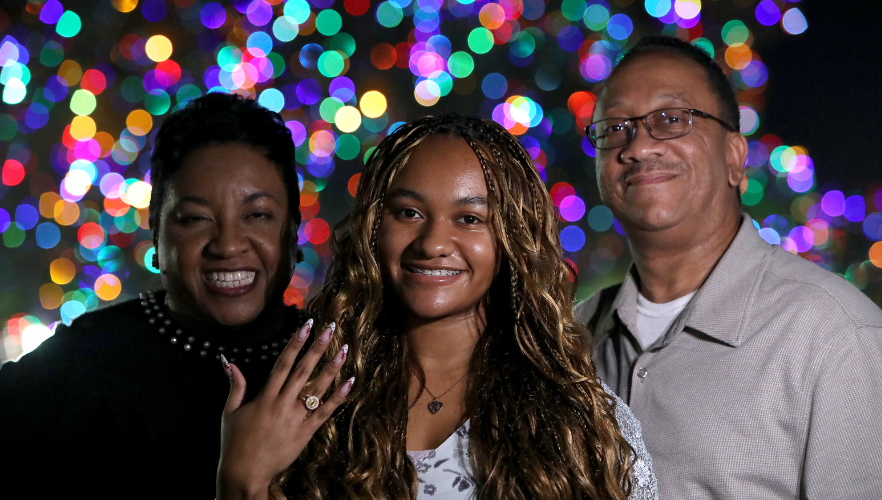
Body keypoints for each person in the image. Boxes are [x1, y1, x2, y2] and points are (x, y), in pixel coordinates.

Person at [216, 114, 658, 500]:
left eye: (469, 219)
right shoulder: (308, 408)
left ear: (512, 239)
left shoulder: (578, 421)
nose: (432, 243)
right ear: (374, 227)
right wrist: (241, 480)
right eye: (408, 213)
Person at [576, 35, 882, 499]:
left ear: (735, 157)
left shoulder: (836, 339)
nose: (638, 147)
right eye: (616, 128)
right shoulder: (571, 338)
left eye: (671, 119)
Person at [0, 92, 307, 498]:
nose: (228, 244)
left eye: (258, 215)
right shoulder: (79, 366)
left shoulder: (344, 361)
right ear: (157, 233)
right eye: (196, 218)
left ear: (293, 230)